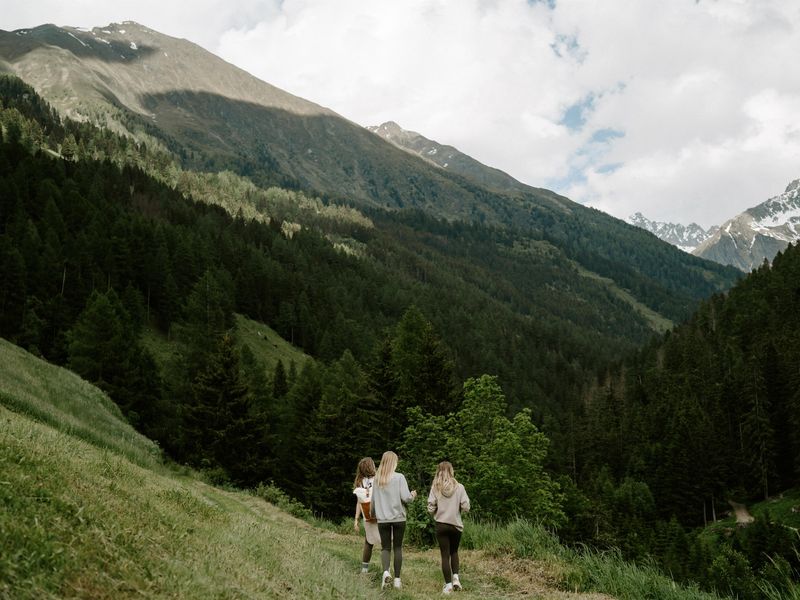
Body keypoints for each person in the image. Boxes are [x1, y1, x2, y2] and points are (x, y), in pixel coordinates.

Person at [370, 450, 417, 590]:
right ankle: (397, 580)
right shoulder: (399, 477)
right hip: (398, 518)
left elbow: (373, 502)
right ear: (393, 462)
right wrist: (413, 495)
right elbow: (406, 498)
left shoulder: (377, 479)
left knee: (385, 547)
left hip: (382, 519)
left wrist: (373, 514)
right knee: (397, 547)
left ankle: (385, 572)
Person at [427, 461, 470, 595]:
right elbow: (466, 507)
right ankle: (456, 578)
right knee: (454, 552)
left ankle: (448, 585)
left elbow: (430, 507)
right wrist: (458, 509)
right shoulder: (460, 487)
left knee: (444, 555)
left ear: (438, 472)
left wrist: (436, 512)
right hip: (456, 525)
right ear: (451, 471)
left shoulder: (435, 487)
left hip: (441, 524)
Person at [352, 457, 379, 574]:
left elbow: (359, 502)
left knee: (369, 542)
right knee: (386, 542)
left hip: (367, 516)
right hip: (380, 513)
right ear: (370, 466)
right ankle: (386, 570)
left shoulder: (360, 482)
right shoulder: (378, 479)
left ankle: (364, 570)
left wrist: (356, 520)